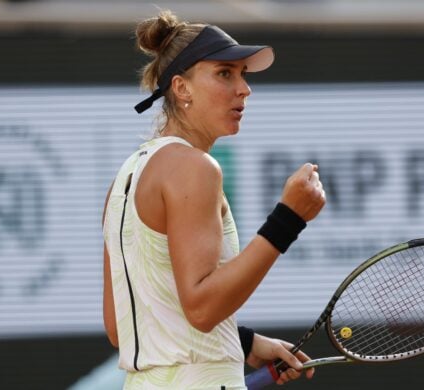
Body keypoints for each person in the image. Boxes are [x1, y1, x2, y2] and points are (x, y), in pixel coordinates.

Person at [102, 10, 326, 390]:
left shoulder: (125, 177)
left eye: (243, 74)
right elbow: (202, 308)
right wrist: (289, 218)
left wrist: (244, 343)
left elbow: (120, 326)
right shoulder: (195, 167)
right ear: (181, 87)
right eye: (225, 73)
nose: (244, 88)